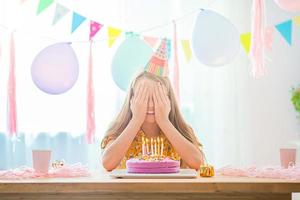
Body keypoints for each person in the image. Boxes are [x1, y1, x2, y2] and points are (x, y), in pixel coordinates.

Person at [101, 39, 205, 171]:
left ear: (168, 101)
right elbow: (107, 163)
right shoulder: (120, 131)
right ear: (132, 101)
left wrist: (164, 121)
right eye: (143, 97)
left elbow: (198, 162)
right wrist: (136, 120)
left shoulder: (180, 130)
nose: (150, 105)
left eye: (157, 98)